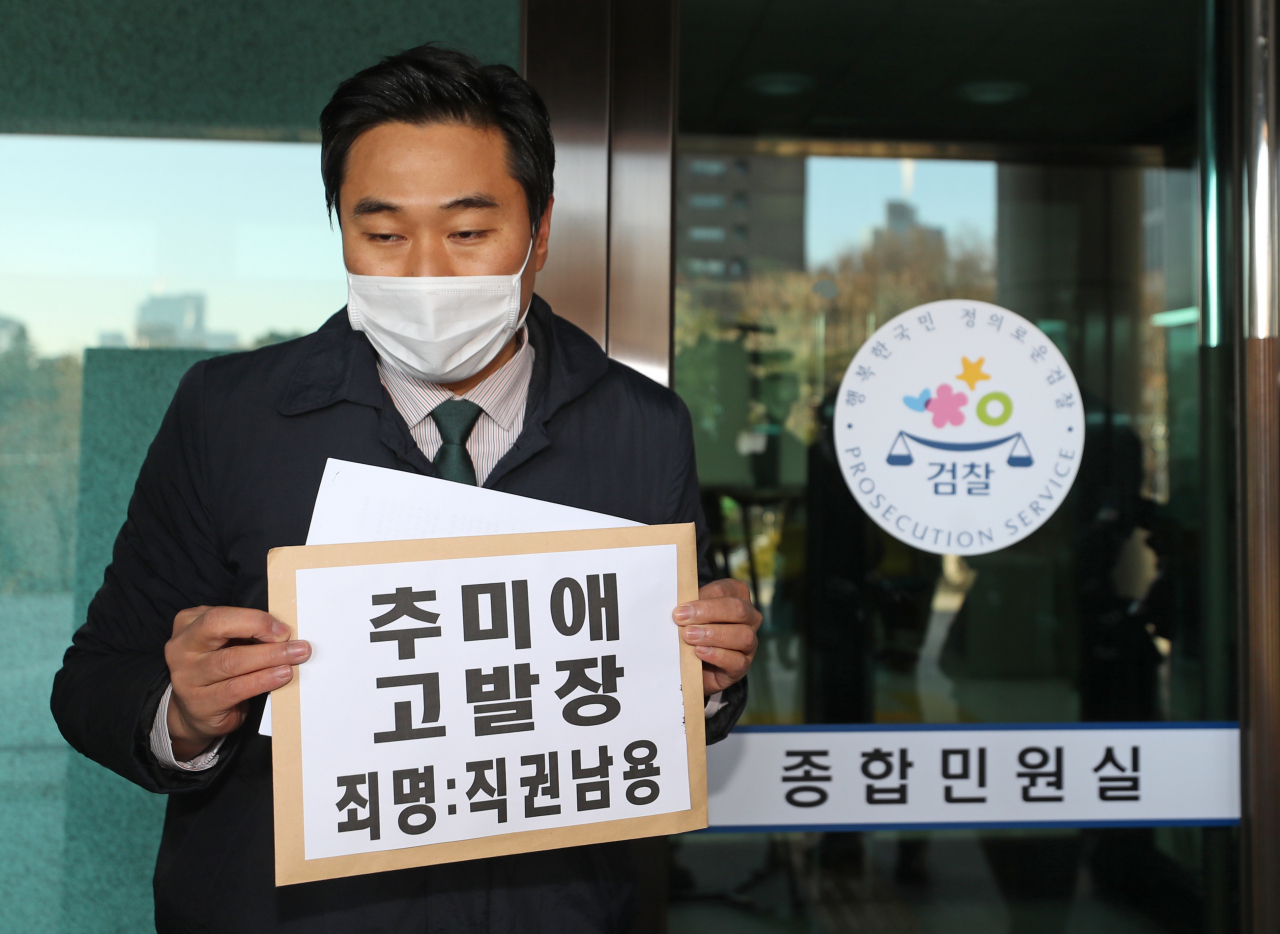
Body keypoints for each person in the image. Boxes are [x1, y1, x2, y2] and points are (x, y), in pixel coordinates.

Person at [50, 44, 758, 933]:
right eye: (383, 236)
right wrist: (182, 713)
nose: (426, 273)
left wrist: (710, 674)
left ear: (539, 232)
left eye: (469, 234)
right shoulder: (230, 414)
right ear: (341, 232)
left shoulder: (641, 426)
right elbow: (94, 682)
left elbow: (667, 697)